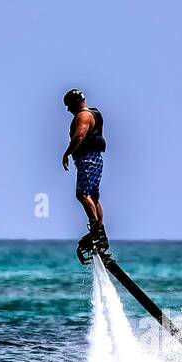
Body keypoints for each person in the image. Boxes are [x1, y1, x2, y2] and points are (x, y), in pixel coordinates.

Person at [61, 89, 109, 261]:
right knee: (93, 197)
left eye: (68, 106)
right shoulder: (93, 114)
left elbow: (79, 137)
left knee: (82, 194)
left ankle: (96, 231)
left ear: (74, 103)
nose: (68, 110)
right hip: (95, 159)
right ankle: (101, 234)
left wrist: (66, 154)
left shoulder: (83, 116)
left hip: (87, 158)